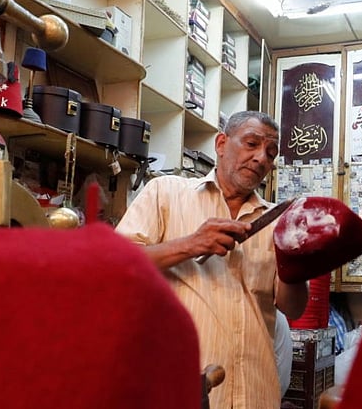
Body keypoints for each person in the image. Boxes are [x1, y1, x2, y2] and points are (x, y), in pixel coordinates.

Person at [116, 111, 309, 409]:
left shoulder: (278, 222)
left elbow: (293, 308)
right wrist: (191, 244)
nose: (261, 159)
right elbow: (116, 266)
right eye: (251, 144)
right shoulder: (166, 193)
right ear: (221, 143)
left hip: (255, 391)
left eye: (271, 153)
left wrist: (298, 263)